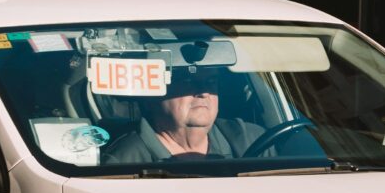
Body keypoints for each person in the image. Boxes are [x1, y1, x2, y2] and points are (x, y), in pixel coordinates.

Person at [102, 68, 268, 163]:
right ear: (152, 97)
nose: (203, 92)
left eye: (211, 82)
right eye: (188, 81)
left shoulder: (251, 140)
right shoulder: (124, 160)